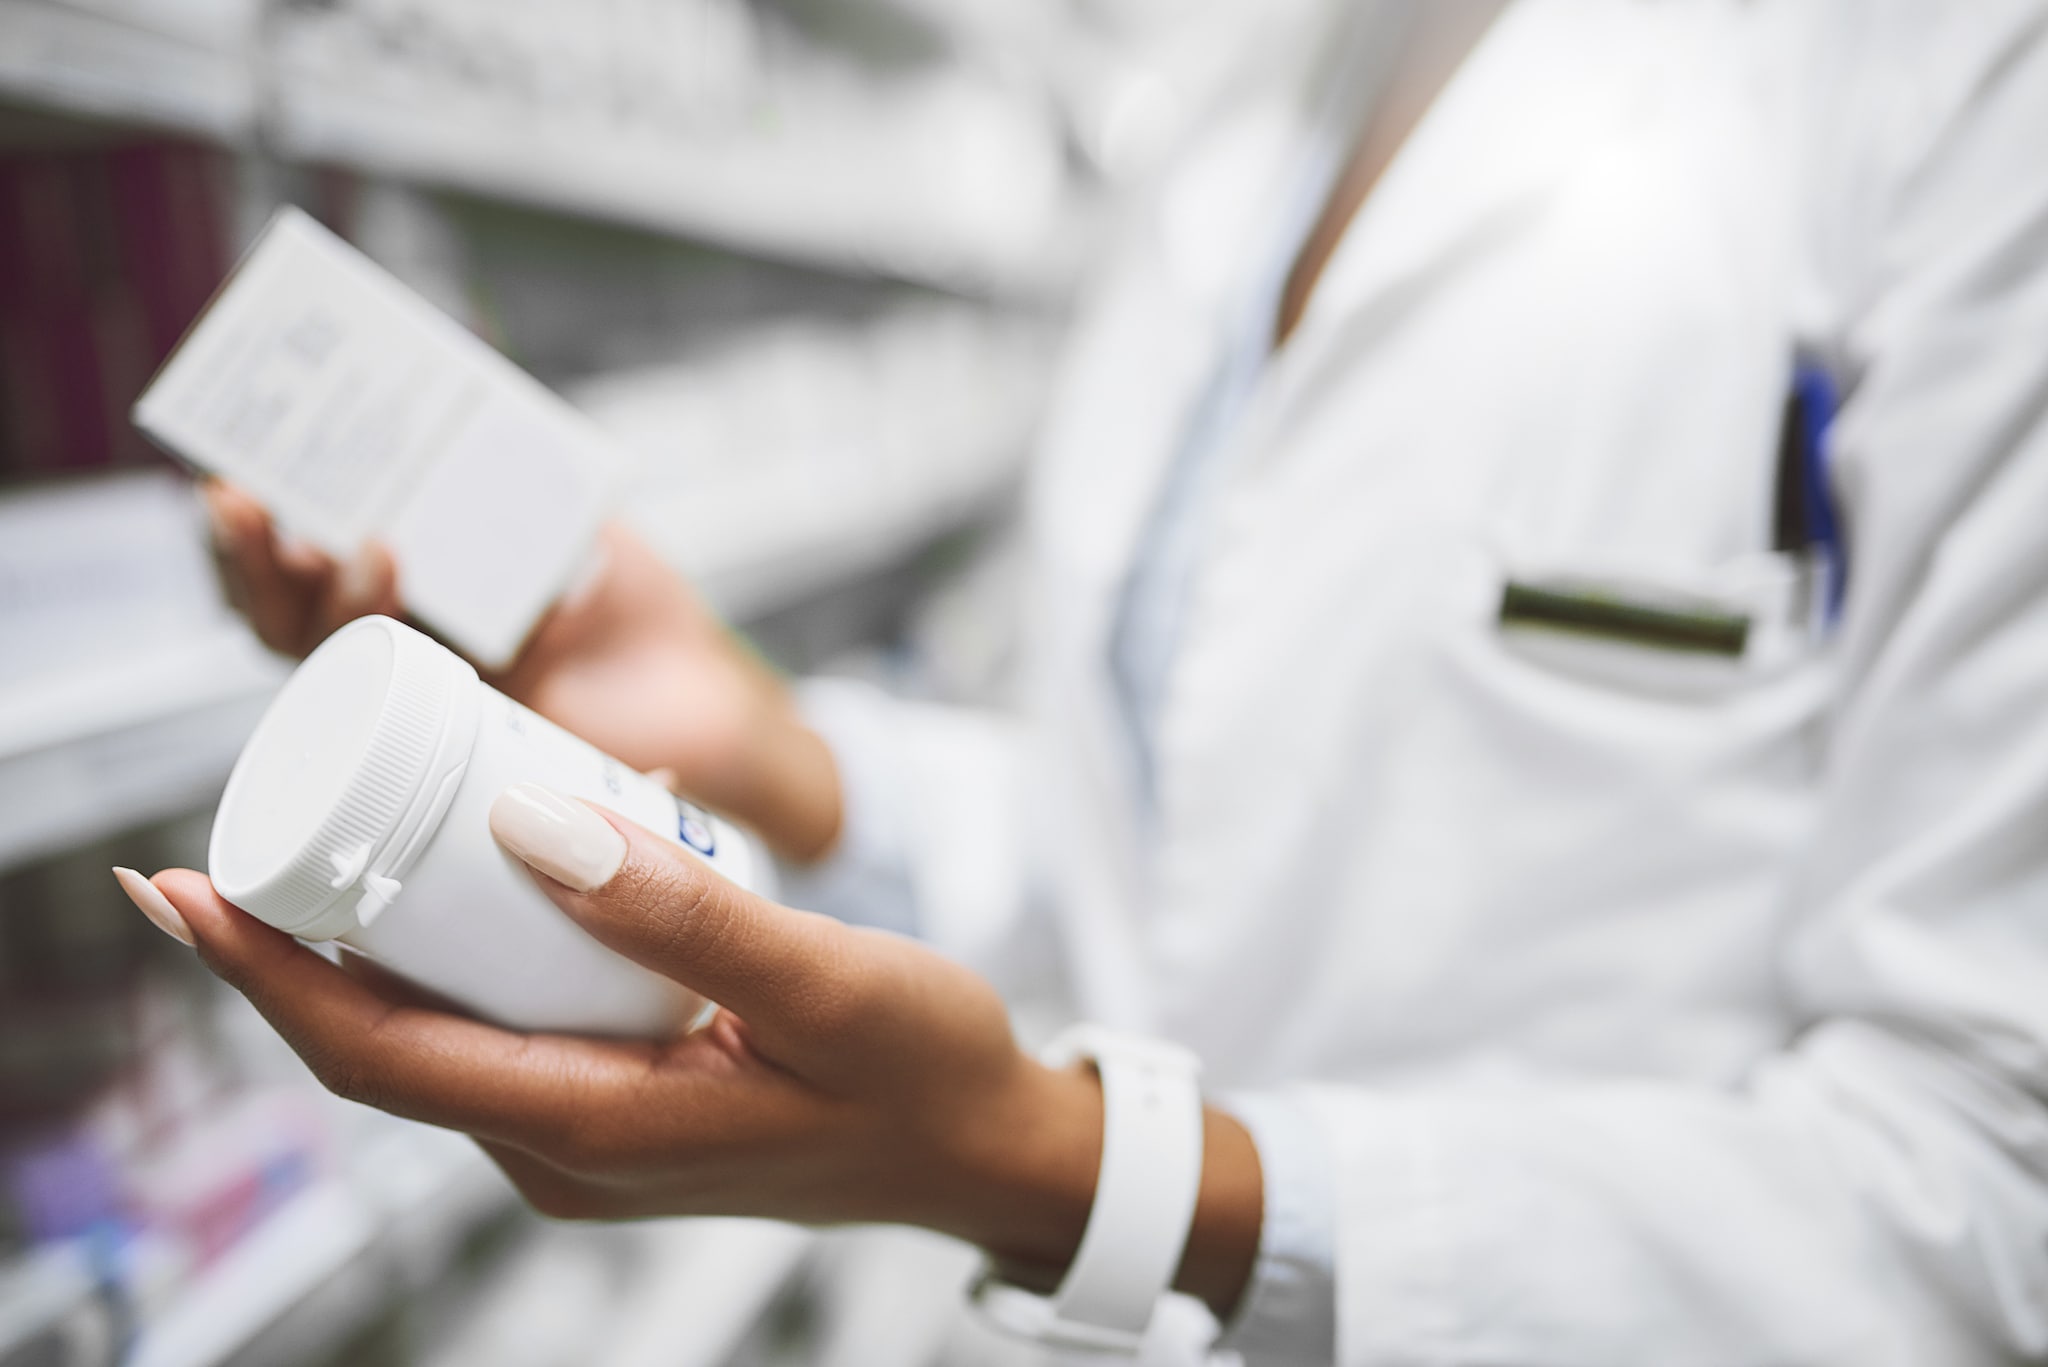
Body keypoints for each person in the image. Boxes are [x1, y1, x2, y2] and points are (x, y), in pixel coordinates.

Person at [118, 1, 2048, 1361]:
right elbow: (1179, 822)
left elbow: (1987, 1201)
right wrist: (775, 758)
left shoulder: (1963, 89)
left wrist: (1073, 1177)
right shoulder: (1256, 92)